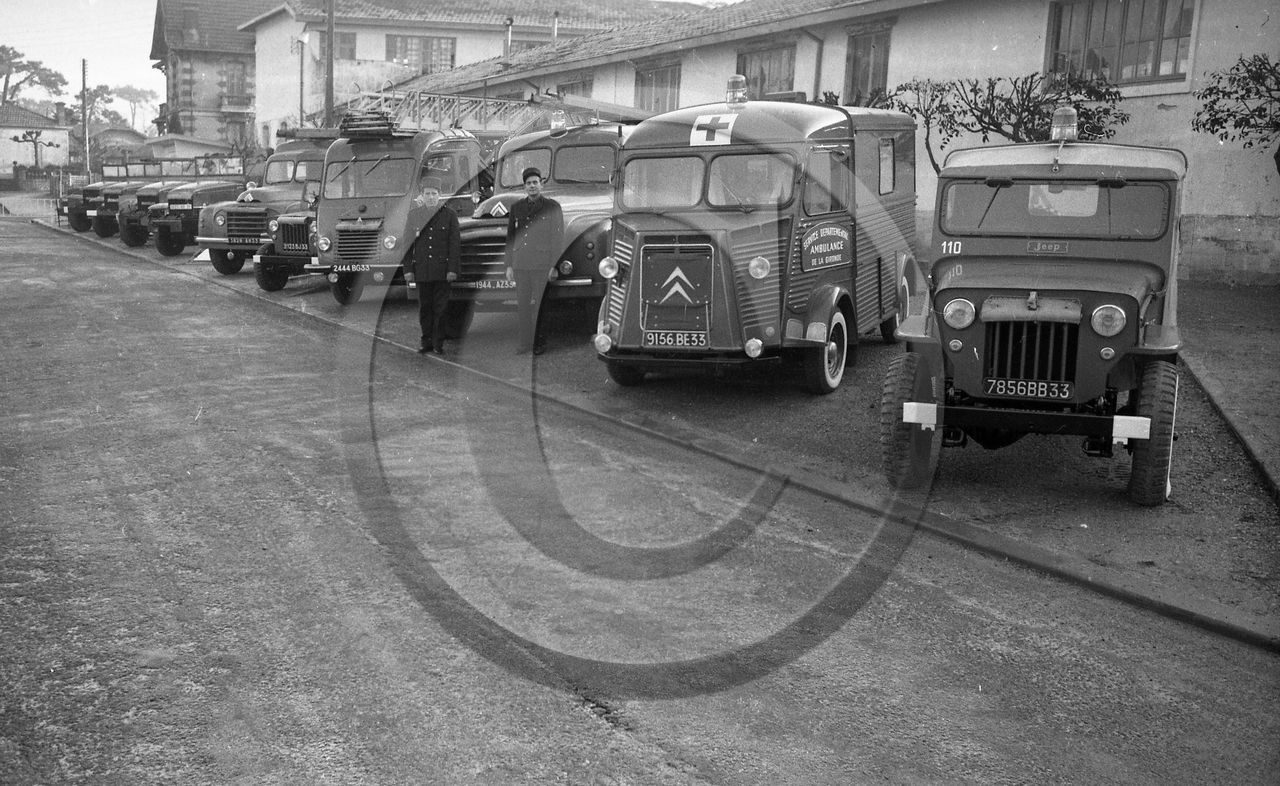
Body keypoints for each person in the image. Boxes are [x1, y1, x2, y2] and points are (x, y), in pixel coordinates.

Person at [505, 167, 563, 354]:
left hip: (542, 265)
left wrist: (554, 266)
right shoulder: (517, 208)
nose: (532, 186)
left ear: (541, 184)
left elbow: (558, 238)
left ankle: (539, 343)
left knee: (539, 306)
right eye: (528, 183)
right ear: (524, 187)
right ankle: (525, 343)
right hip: (521, 264)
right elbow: (511, 238)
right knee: (522, 306)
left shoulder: (552, 207)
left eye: (535, 182)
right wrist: (509, 265)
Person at [404, 177, 460, 355]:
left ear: (440, 195)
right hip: (423, 270)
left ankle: (438, 343)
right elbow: (407, 244)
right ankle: (425, 341)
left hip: (442, 271)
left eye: (434, 194)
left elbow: (454, 245)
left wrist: (452, 269)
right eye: (427, 194)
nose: (430, 197)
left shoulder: (449, 215)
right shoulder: (414, 215)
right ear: (422, 195)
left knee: (441, 309)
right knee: (425, 308)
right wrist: (408, 270)